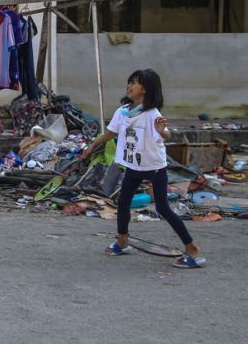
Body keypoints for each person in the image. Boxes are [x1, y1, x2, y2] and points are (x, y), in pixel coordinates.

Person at [82, 69, 205, 269]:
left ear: (146, 89)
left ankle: (192, 249)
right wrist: (92, 146)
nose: (129, 86)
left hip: (154, 167)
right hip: (133, 165)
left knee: (162, 208)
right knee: (122, 203)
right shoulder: (123, 111)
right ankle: (122, 241)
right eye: (129, 82)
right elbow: (110, 133)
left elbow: (166, 134)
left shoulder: (152, 114)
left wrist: (161, 131)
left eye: (135, 83)